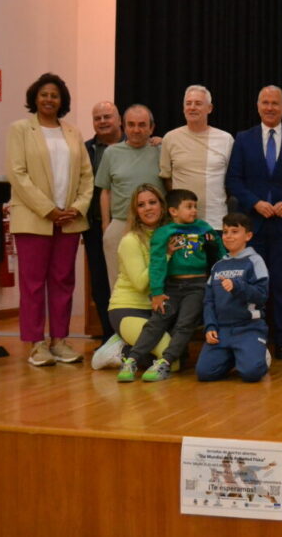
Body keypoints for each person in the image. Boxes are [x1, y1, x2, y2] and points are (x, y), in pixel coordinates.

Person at [5, 73, 93, 366]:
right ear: (35, 97)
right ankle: (36, 344)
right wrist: (48, 209)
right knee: (32, 284)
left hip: (69, 220)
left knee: (63, 281)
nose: (49, 99)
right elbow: (18, 174)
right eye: (44, 94)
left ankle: (59, 341)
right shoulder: (20, 129)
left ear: (62, 100)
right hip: (34, 218)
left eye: (54, 95)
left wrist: (77, 208)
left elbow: (86, 176)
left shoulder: (72, 132)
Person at [226, 85, 282, 361]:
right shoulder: (244, 138)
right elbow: (233, 179)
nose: (270, 107)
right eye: (265, 102)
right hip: (253, 226)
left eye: (275, 103)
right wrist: (255, 203)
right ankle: (254, 339)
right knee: (252, 285)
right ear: (258, 106)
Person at [117, 188, 224, 382]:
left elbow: (220, 254)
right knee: (157, 322)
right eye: (189, 207)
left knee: (185, 323)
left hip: (197, 285)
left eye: (195, 207)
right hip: (172, 287)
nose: (194, 211)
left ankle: (165, 363)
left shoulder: (204, 228)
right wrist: (157, 292)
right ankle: (131, 359)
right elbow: (157, 264)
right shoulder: (163, 233)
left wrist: (214, 246)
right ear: (173, 211)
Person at [90, 183, 169, 370]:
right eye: (141, 205)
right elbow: (141, 283)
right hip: (128, 309)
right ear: (136, 212)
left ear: (162, 206)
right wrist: (166, 255)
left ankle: (127, 345)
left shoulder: (169, 235)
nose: (148, 208)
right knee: (169, 357)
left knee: (178, 356)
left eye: (152, 202)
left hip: (156, 310)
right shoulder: (130, 240)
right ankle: (118, 351)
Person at [195, 211, 270, 383]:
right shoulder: (218, 266)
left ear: (248, 236)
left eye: (235, 232)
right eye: (225, 232)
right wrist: (210, 326)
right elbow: (209, 301)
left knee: (251, 374)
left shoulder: (255, 261)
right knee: (204, 373)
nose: (228, 236)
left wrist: (238, 287)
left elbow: (262, 295)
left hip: (248, 328)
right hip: (222, 331)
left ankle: (259, 354)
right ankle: (234, 356)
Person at [95, 104, 163, 290]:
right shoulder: (111, 153)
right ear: (124, 127)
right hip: (120, 224)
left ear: (151, 128)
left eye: (142, 125)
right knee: (118, 284)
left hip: (155, 227)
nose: (136, 130)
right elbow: (105, 191)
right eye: (131, 124)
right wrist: (106, 226)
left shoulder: (161, 150)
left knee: (155, 282)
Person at [159, 84, 234, 230]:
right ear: (183, 108)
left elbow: (231, 180)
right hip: (181, 223)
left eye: (198, 103)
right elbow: (167, 178)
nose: (192, 107)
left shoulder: (226, 139)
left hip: (215, 220)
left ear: (209, 108)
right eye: (188, 103)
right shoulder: (170, 138)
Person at [83, 101, 122, 342]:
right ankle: (109, 338)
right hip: (96, 226)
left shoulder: (138, 144)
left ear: (119, 120)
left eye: (107, 116)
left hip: (131, 226)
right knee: (100, 283)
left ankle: (134, 337)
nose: (103, 121)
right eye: (97, 118)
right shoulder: (85, 150)